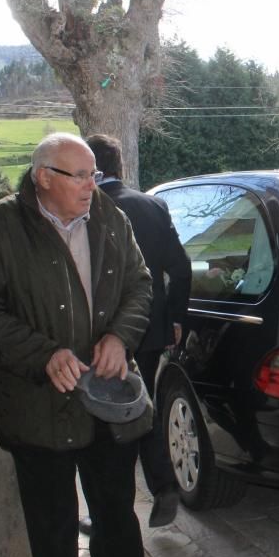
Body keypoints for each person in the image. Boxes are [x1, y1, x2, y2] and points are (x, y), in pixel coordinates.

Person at [0, 133, 152, 557]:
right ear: (43, 177)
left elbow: (139, 285)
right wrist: (43, 354)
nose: (91, 186)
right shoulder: (0, 228)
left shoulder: (110, 217)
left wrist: (120, 336)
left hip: (109, 401)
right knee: (53, 533)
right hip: (37, 408)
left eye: (94, 175)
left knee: (118, 521)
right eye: (80, 176)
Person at [86, 133, 191, 527]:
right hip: (148, 328)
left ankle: (113, 511)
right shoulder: (153, 205)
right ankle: (162, 484)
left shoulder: (83, 208)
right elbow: (179, 269)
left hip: (98, 336)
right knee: (142, 404)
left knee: (105, 419)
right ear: (120, 166)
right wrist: (177, 318)